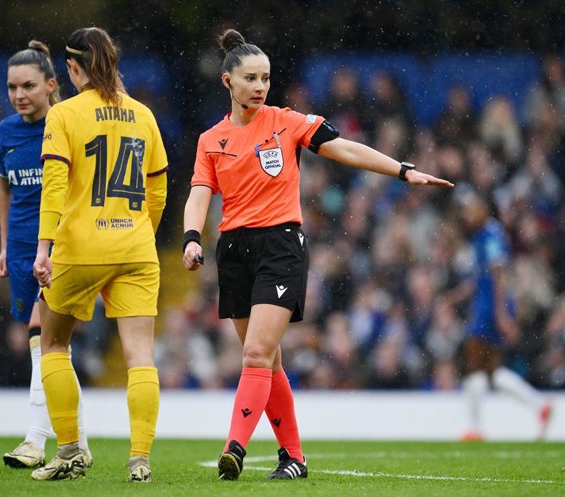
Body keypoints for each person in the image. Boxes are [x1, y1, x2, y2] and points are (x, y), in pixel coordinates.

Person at [181, 29, 454, 481]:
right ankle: (294, 459)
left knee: (254, 355)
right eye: (250, 78)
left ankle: (234, 448)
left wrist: (401, 170)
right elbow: (198, 194)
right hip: (233, 250)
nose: (260, 86)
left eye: (265, 78)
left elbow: (344, 147)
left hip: (281, 246)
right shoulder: (211, 139)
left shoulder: (287, 122)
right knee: (268, 361)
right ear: (227, 81)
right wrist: (192, 236)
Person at [31, 27, 168, 482]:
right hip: (135, 247)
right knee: (140, 356)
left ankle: (69, 450)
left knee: (53, 343)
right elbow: (159, 187)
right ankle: (140, 457)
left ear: (72, 68)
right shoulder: (143, 114)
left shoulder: (64, 114)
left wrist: (44, 248)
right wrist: (138, 233)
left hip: (80, 247)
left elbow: (53, 187)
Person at [0, 40, 91, 469]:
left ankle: (34, 439)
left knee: (43, 333)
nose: (19, 95)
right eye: (13, 87)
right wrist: (3, 245)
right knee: (53, 346)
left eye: (28, 85)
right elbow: (4, 188)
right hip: (19, 247)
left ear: (52, 84)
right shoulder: (6, 131)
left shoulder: (68, 122)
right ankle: (79, 440)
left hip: (60, 246)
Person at [443, 186, 552, 442]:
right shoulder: (481, 236)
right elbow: (479, 278)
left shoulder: (491, 234)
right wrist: (454, 296)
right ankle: (539, 405)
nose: (467, 214)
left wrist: (502, 314)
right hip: (486, 303)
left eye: (471, 208)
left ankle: (475, 428)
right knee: (490, 369)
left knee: (472, 360)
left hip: (490, 306)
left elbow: (498, 275)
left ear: (484, 208)